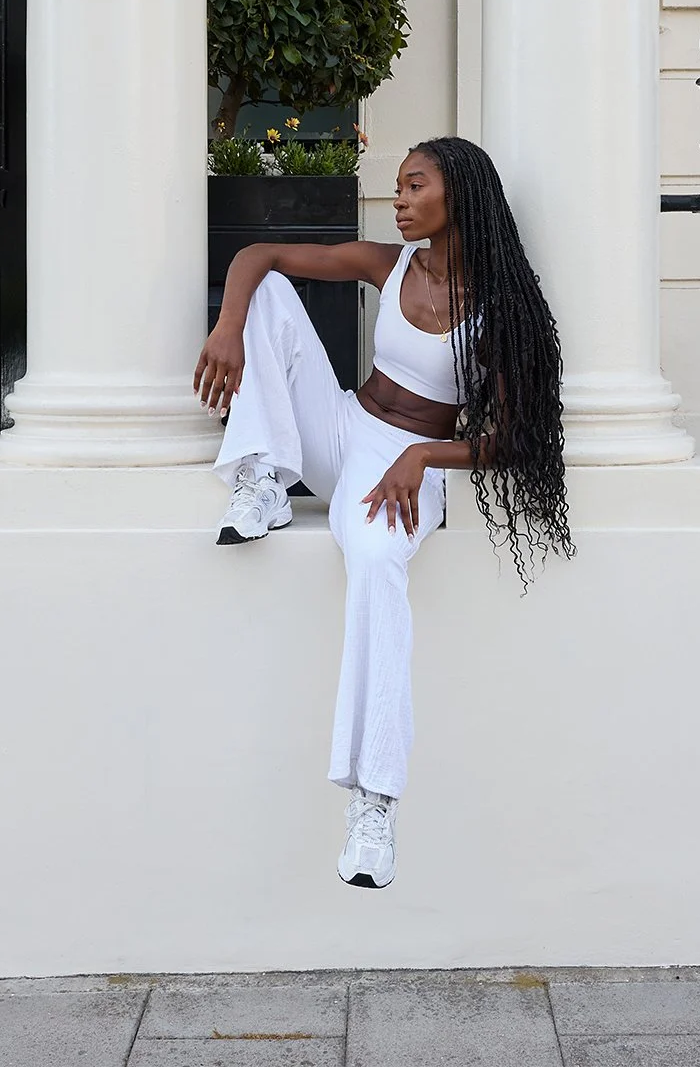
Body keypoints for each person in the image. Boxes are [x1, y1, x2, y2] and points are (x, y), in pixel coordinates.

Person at [194, 136, 573, 889]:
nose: (398, 200)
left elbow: (516, 442)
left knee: (373, 565)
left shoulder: (501, 308)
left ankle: (374, 804)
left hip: (406, 468)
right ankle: (264, 482)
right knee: (269, 289)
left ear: (456, 195)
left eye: (413, 185)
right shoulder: (388, 263)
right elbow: (257, 255)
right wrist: (230, 326)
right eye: (398, 187)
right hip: (343, 428)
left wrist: (426, 456)